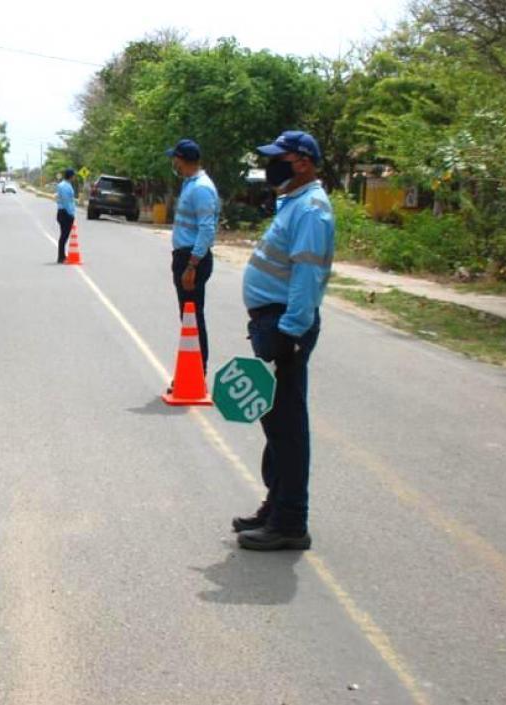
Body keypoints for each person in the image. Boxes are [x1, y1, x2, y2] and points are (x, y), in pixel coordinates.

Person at [234, 131, 335, 551]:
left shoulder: (311, 210)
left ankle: (290, 522)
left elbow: (307, 277)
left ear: (305, 163)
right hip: (272, 322)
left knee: (287, 427)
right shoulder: (293, 202)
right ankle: (276, 505)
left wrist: (290, 334)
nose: (274, 165)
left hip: (284, 326)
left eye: (282, 158)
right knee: (275, 425)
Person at [166, 139, 219, 374]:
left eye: (175, 158)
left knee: (192, 316)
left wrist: (192, 265)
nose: (173, 162)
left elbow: (207, 229)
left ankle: (197, 371)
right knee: (188, 315)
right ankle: (193, 370)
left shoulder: (201, 188)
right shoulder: (190, 184)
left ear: (183, 160)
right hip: (184, 256)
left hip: (192, 259)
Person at [56, 168, 77, 263]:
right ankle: (61, 257)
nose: (74, 177)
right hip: (65, 212)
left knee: (64, 236)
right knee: (64, 236)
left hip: (63, 212)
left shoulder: (65, 185)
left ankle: (62, 256)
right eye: (74, 175)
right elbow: (66, 201)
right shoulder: (65, 186)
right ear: (71, 176)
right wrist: (71, 214)